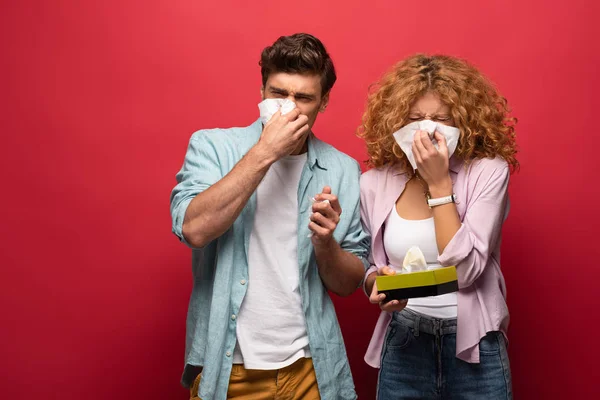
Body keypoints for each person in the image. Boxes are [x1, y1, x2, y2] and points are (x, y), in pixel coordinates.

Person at [170, 33, 370, 400]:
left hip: (312, 368)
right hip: (229, 367)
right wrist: (265, 152)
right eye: (278, 94)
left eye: (303, 97)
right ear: (262, 92)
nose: (288, 107)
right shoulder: (213, 147)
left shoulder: (343, 170)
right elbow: (194, 229)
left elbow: (347, 283)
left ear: (323, 102)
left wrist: (326, 244)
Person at [358, 54, 518, 399]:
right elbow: (372, 265)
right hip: (405, 339)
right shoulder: (374, 183)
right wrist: (377, 283)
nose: (428, 129)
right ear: (397, 122)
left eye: (441, 119)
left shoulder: (488, 172)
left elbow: (468, 270)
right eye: (416, 119)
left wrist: (440, 184)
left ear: (463, 122)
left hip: (475, 342)